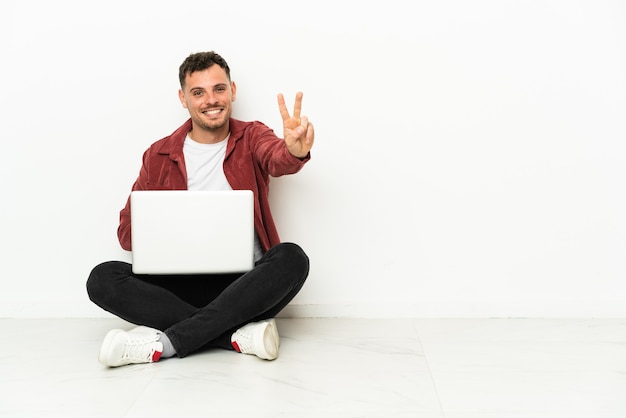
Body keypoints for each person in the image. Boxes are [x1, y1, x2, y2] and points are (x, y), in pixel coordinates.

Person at [86, 51, 314, 367]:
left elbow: (276, 157)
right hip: (176, 288)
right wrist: (158, 220)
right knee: (102, 278)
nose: (211, 99)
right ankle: (234, 336)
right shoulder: (159, 155)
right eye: (198, 92)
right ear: (184, 98)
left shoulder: (251, 136)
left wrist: (293, 150)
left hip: (243, 286)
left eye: (219, 89)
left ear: (232, 90)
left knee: (292, 258)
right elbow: (126, 236)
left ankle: (164, 344)